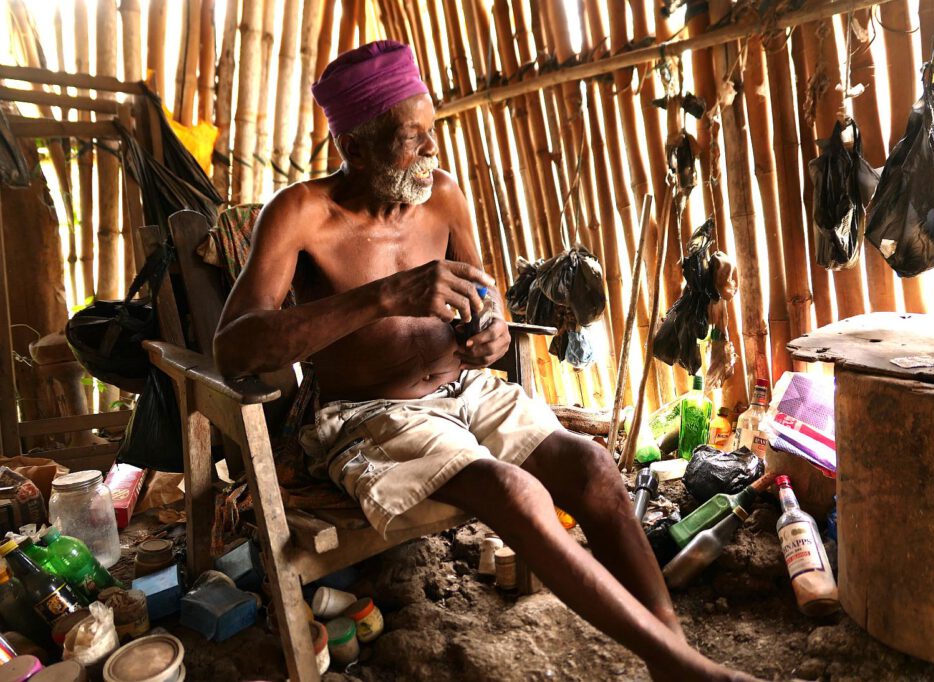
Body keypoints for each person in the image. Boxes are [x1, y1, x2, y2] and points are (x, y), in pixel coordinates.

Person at [213, 40, 758, 682]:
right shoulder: (302, 214)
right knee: (514, 491)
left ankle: (673, 656)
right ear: (353, 148)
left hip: (465, 388)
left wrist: (490, 331)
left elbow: (484, 293)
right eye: (409, 138)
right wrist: (386, 296)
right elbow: (235, 348)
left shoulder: (442, 195)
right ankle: (690, 670)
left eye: (432, 133)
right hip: (368, 415)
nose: (430, 151)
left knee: (592, 466)